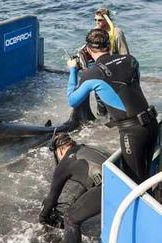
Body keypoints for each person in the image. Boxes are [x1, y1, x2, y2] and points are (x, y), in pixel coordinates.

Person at [66, 28, 158, 184]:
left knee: (134, 183)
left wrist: (73, 71)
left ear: (88, 50)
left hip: (132, 133)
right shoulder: (130, 59)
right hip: (152, 123)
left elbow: (72, 100)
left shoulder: (92, 74)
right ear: (109, 45)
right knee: (149, 174)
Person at [39, 133, 109, 243]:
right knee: (75, 210)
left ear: (59, 150)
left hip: (107, 187)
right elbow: (89, 181)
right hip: (118, 179)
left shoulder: (64, 163)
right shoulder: (84, 149)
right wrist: (74, 203)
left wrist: (43, 219)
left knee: (70, 218)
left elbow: (51, 199)